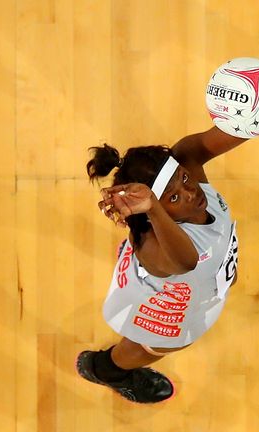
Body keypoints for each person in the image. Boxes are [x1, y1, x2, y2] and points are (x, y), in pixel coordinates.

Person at [76, 127, 245, 403]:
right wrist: (153, 207)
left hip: (198, 289)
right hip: (162, 307)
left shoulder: (189, 171)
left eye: (184, 178)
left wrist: (257, 118)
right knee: (151, 347)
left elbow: (224, 136)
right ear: (155, 212)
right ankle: (105, 369)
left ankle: (110, 367)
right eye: (174, 198)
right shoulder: (157, 248)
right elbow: (187, 262)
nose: (190, 192)